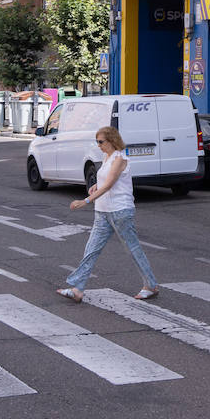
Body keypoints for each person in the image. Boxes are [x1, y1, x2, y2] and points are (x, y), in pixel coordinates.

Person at [56, 126, 160, 302]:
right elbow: (104, 181)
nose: (98, 145)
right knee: (91, 250)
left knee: (132, 249)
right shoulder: (107, 157)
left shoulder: (120, 158)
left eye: (101, 142)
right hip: (102, 211)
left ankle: (150, 285)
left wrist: (86, 200)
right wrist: (95, 186)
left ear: (112, 140)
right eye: (97, 142)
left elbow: (110, 184)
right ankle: (77, 289)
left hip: (120, 211)